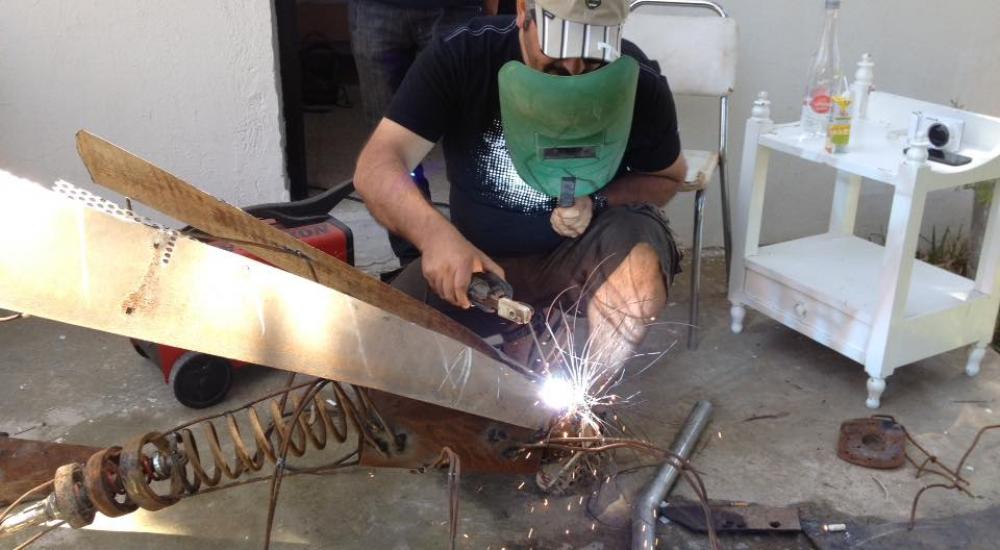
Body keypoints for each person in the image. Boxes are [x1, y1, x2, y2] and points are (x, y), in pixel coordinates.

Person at [353, 0, 687, 382]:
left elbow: (667, 177)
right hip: (481, 266)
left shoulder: (638, 79)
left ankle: (587, 399)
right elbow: (376, 166)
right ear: (524, 12)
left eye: (592, 59)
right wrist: (436, 238)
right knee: (382, 350)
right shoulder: (465, 54)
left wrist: (597, 201)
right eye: (558, 53)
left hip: (579, 256)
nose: (573, 70)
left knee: (638, 260)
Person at [348, 0, 492, 270]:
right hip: (375, 8)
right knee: (388, 146)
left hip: (456, 7)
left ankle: (476, 251)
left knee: (475, 135)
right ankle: (414, 261)